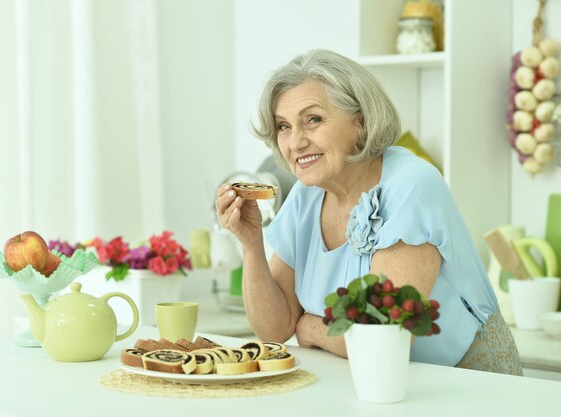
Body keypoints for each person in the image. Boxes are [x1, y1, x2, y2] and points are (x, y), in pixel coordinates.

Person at [215, 49, 522, 375]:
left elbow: (382, 336)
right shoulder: (305, 196)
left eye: (313, 119)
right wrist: (251, 244)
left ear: (360, 120)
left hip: (468, 383)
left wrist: (311, 328)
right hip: (375, 382)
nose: (296, 142)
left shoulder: (412, 186)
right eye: (284, 126)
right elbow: (274, 330)